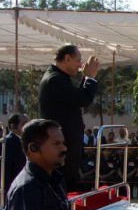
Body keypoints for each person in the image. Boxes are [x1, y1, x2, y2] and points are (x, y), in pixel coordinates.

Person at [38, 44, 100, 192]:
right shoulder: (55, 80)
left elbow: (76, 98)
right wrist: (89, 78)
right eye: (78, 61)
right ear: (67, 58)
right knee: (62, 188)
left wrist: (86, 78)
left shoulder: (60, 78)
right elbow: (82, 100)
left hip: (67, 145)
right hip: (61, 146)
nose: (80, 66)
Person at [0, 114, 29, 195]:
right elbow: (0, 172)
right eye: (24, 124)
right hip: (11, 191)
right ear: (13, 126)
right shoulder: (4, 144)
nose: (28, 126)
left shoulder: (27, 142)